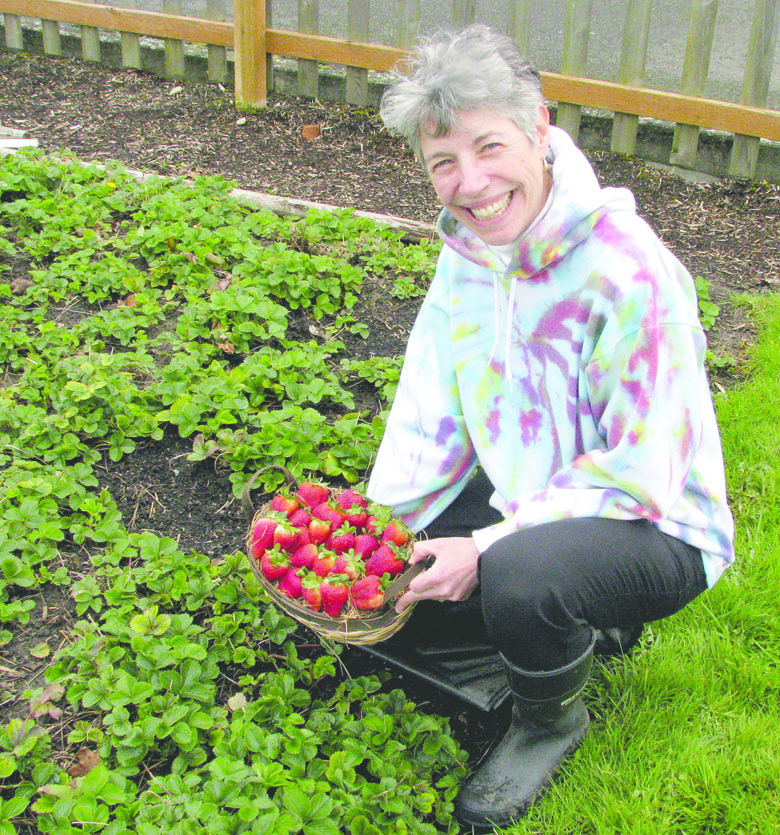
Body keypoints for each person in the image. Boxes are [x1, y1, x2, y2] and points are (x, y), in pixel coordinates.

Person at [364, 24, 735, 830]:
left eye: (489, 147)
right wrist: (380, 525)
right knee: (397, 578)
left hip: (658, 521)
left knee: (522, 579)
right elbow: (431, 396)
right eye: (443, 163)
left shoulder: (626, 269)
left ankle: (549, 719)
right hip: (535, 496)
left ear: (539, 130)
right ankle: (564, 621)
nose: (472, 183)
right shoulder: (468, 254)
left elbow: (641, 472)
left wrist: (488, 550)